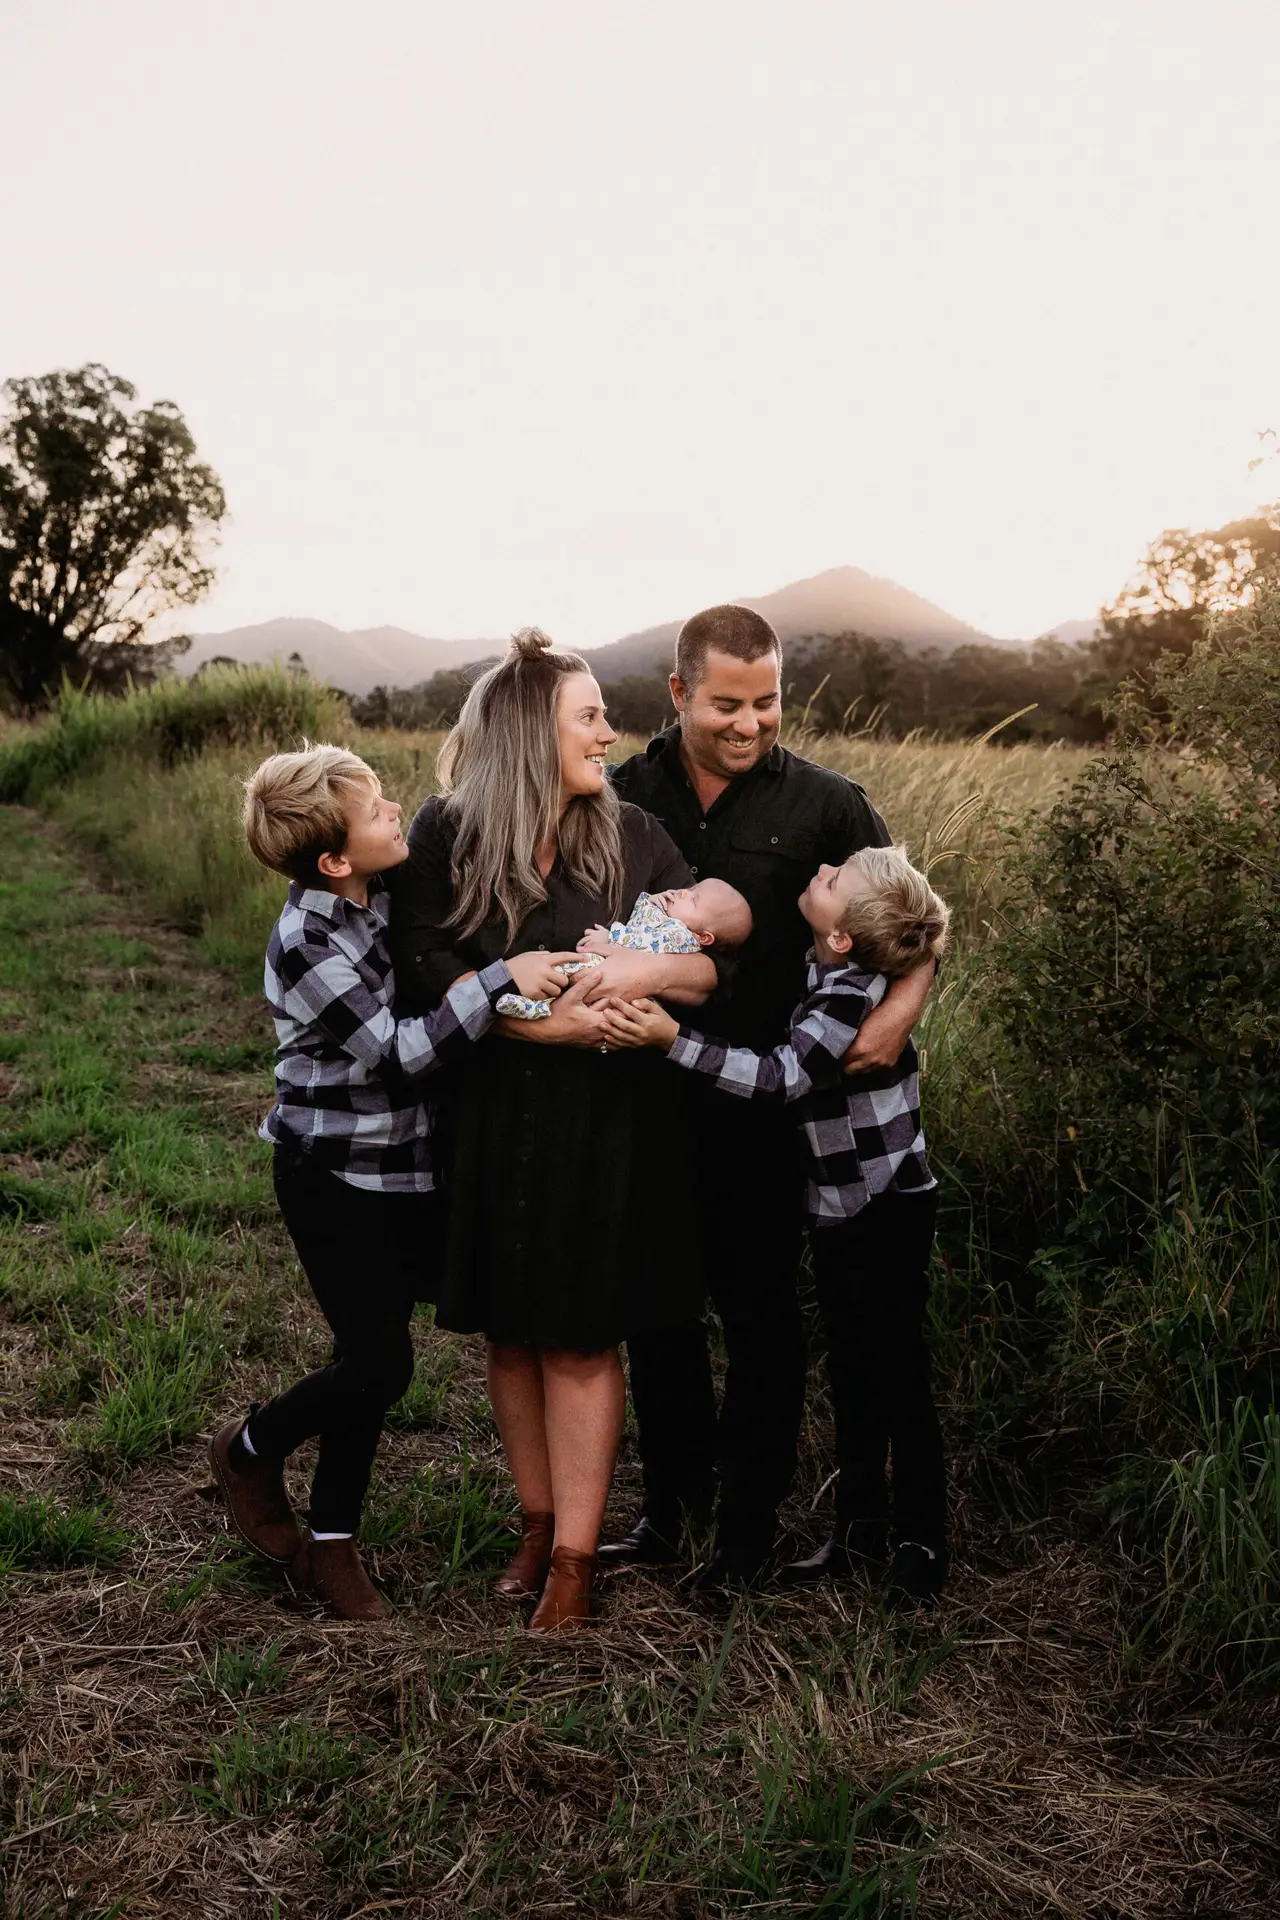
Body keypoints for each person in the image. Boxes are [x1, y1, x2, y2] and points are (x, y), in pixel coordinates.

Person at [385, 630, 717, 1633]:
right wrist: (537, 1019)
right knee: (508, 1335)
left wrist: (634, 982)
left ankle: (575, 1557)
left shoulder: (628, 836)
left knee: (577, 1340)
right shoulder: (450, 831)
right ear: (531, 730)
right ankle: (533, 1522)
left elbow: (703, 968)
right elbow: (421, 952)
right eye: (585, 716)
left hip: (604, 1124)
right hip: (489, 1115)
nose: (606, 733)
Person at [604, 603, 935, 1593]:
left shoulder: (831, 805)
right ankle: (669, 1514)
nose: (749, 724)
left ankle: (743, 1538)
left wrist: (899, 1012)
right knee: (657, 1318)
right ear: (677, 694)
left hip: (773, 1109)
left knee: (759, 1323)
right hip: (649, 1097)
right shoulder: (623, 793)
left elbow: (913, 921)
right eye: (724, 706)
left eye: (767, 703)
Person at [211, 744, 574, 1622]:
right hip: (332, 1174)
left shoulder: (384, 897)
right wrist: (502, 978)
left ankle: (328, 1536)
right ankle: (254, 1453)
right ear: (334, 860)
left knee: (367, 1361)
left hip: (407, 1170)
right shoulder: (305, 941)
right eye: (375, 810)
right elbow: (404, 1052)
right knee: (379, 1359)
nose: (393, 813)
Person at [496, 878, 752, 1019]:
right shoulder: (670, 919)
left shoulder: (681, 937)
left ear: (704, 938)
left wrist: (610, 936)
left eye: (694, 899)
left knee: (567, 975)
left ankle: (530, 1006)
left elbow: (641, 943)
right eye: (690, 889)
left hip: (615, 982)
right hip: (613, 980)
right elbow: (644, 923)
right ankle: (533, 1007)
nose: (683, 893)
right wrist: (652, 901)